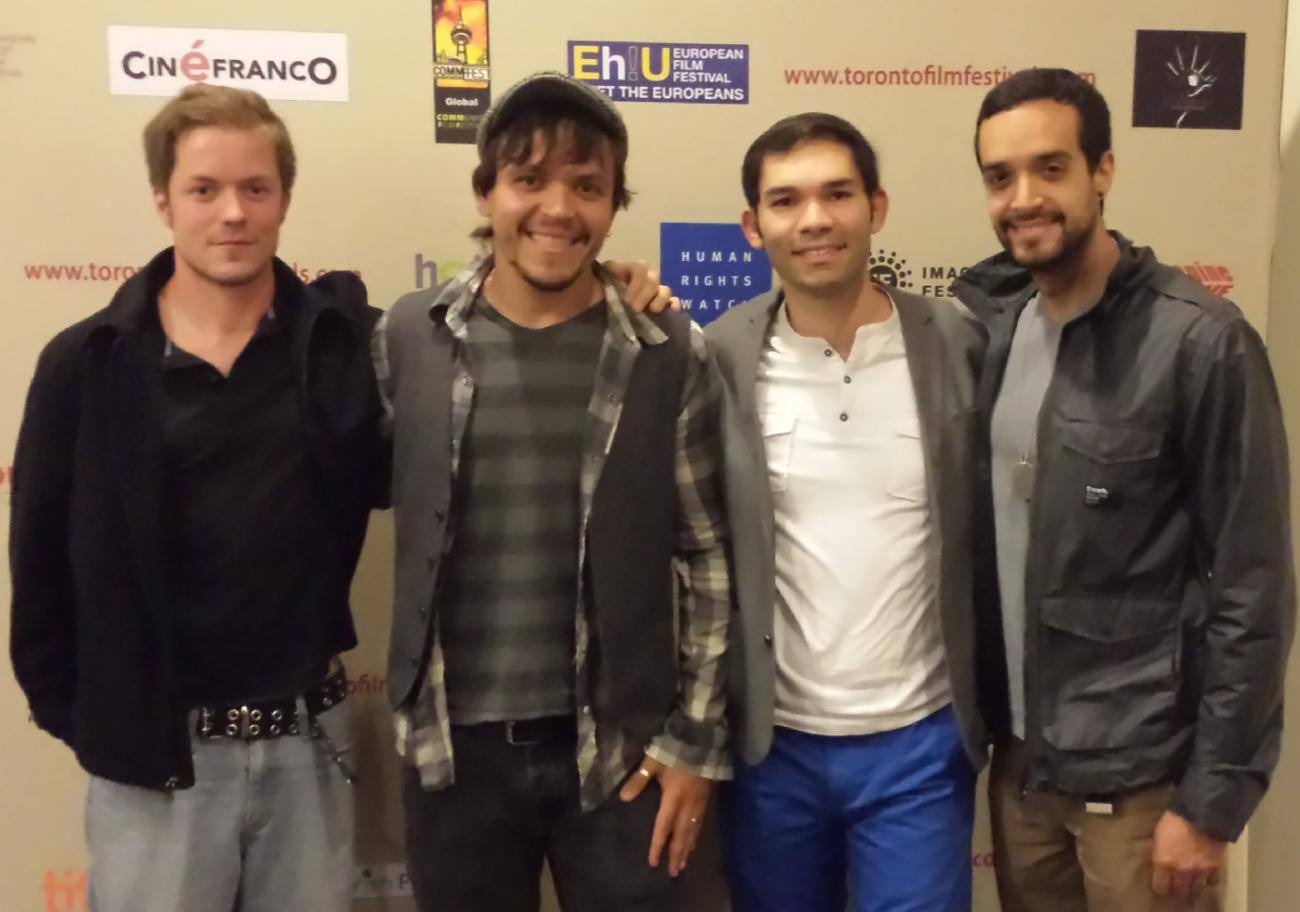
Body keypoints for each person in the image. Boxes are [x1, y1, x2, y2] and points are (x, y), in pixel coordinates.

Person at [9, 83, 384, 911]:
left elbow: (473, 334)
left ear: (284, 198)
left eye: (256, 188)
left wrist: (608, 283)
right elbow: (37, 571)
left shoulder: (341, 346)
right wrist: (100, 722)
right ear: (163, 200)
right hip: (154, 760)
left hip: (310, 748)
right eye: (204, 189)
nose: (233, 214)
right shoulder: (84, 365)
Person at [373, 71, 732, 912]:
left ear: (612, 206)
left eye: (587, 185)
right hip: (453, 756)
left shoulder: (666, 349)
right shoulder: (410, 337)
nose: (558, 209)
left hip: (623, 757)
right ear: (486, 192)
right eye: (529, 179)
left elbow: (708, 561)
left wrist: (692, 743)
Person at [952, 67, 1295, 912]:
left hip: (1144, 788)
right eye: (1000, 177)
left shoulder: (1200, 343)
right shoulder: (991, 325)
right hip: (1023, 772)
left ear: (1103, 170)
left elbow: (1252, 587)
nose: (1023, 199)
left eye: (1050, 168)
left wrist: (1209, 802)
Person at [707, 112, 993, 912]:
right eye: (786, 201)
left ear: (877, 207)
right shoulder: (719, 356)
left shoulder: (958, 343)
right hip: (772, 751)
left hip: (919, 747)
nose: (814, 220)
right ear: (753, 226)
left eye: (838, 194)